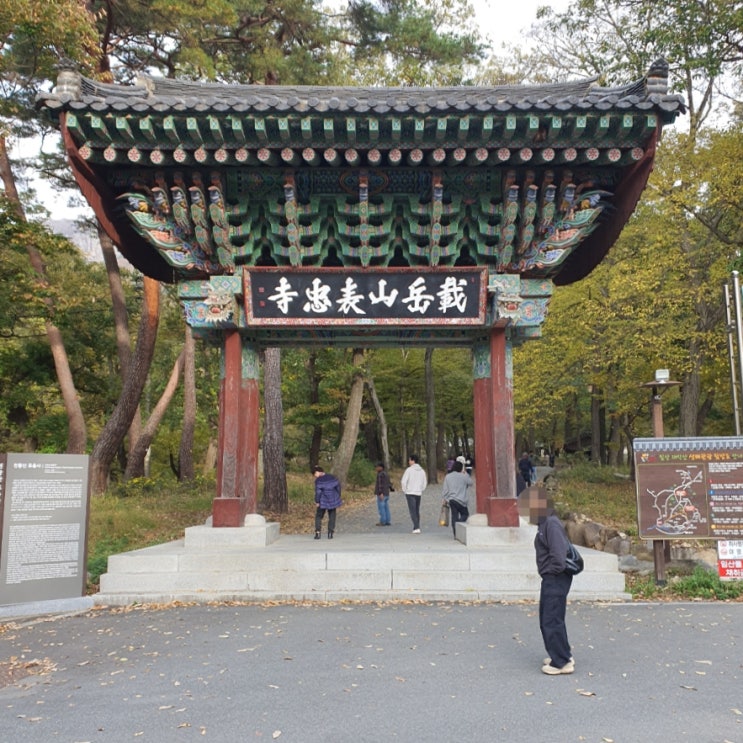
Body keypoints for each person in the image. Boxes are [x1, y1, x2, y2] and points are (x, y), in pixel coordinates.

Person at [529, 491, 575, 675]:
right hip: (551, 577)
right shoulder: (545, 523)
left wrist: (550, 571)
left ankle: (561, 663)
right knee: (551, 617)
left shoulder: (551, 523)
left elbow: (558, 555)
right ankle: (563, 654)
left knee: (551, 619)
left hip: (556, 577)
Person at [441, 460, 472, 539]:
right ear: (461, 468)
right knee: (465, 514)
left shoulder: (448, 476)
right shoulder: (463, 476)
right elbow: (470, 482)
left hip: (452, 499)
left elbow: (445, 489)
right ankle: (459, 525)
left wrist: (444, 498)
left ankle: (455, 533)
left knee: (454, 516)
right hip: (462, 500)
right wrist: (466, 473)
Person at [312, 465, 342, 539]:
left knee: (319, 516)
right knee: (332, 515)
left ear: (318, 472)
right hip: (333, 499)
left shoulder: (318, 481)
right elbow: (338, 487)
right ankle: (330, 533)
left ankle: (318, 533)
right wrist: (338, 496)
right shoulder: (332, 477)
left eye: (314, 473)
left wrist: (317, 501)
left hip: (322, 500)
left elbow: (318, 492)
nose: (314, 476)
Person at [401, 454, 427, 533]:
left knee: (412, 510)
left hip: (410, 492)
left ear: (413, 461)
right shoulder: (422, 471)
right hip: (418, 493)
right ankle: (416, 526)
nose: (409, 462)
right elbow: (424, 482)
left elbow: (403, 481)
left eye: (409, 460)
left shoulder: (409, 470)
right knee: (416, 510)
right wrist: (421, 489)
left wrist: (405, 490)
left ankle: (416, 527)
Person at [374, 461, 392, 526]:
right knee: (386, 507)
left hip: (381, 494)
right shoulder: (386, 474)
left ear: (381, 467)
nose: (376, 468)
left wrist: (380, 493)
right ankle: (387, 520)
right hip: (386, 493)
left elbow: (380, 485)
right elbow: (389, 483)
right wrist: (391, 489)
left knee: (381, 508)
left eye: (377, 467)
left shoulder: (380, 475)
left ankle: (383, 521)